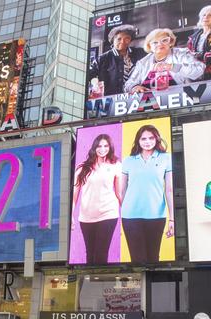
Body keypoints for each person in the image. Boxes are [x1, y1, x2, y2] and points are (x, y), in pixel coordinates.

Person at [120, 125, 174, 263]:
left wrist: (172, 219)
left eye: (151, 138)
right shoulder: (128, 161)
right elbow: (122, 190)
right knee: (137, 260)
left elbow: (169, 190)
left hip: (156, 216)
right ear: (138, 140)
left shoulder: (166, 158)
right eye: (143, 138)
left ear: (156, 139)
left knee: (153, 259)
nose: (147, 141)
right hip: (130, 216)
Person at [72, 134, 122, 264]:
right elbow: (74, 195)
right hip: (86, 216)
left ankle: (101, 280)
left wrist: (127, 214)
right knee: (90, 254)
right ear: (94, 147)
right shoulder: (82, 168)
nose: (102, 149)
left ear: (110, 147)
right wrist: (70, 216)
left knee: (101, 253)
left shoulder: (115, 165)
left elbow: (119, 192)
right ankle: (91, 281)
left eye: (106, 146)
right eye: (99, 146)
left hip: (108, 213)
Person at [124, 28, 204, 94]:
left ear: (170, 42)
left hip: (181, 97)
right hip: (152, 102)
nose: (160, 44)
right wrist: (134, 87)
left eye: (164, 40)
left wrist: (172, 66)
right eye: (155, 42)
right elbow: (128, 84)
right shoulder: (143, 62)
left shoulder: (182, 54)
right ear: (149, 46)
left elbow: (199, 71)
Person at [89, 24, 145, 97]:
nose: (122, 41)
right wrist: (95, 84)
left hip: (137, 95)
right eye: (119, 39)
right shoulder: (102, 59)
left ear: (130, 40)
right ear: (113, 40)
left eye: (127, 38)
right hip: (113, 100)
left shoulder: (140, 53)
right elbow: (89, 75)